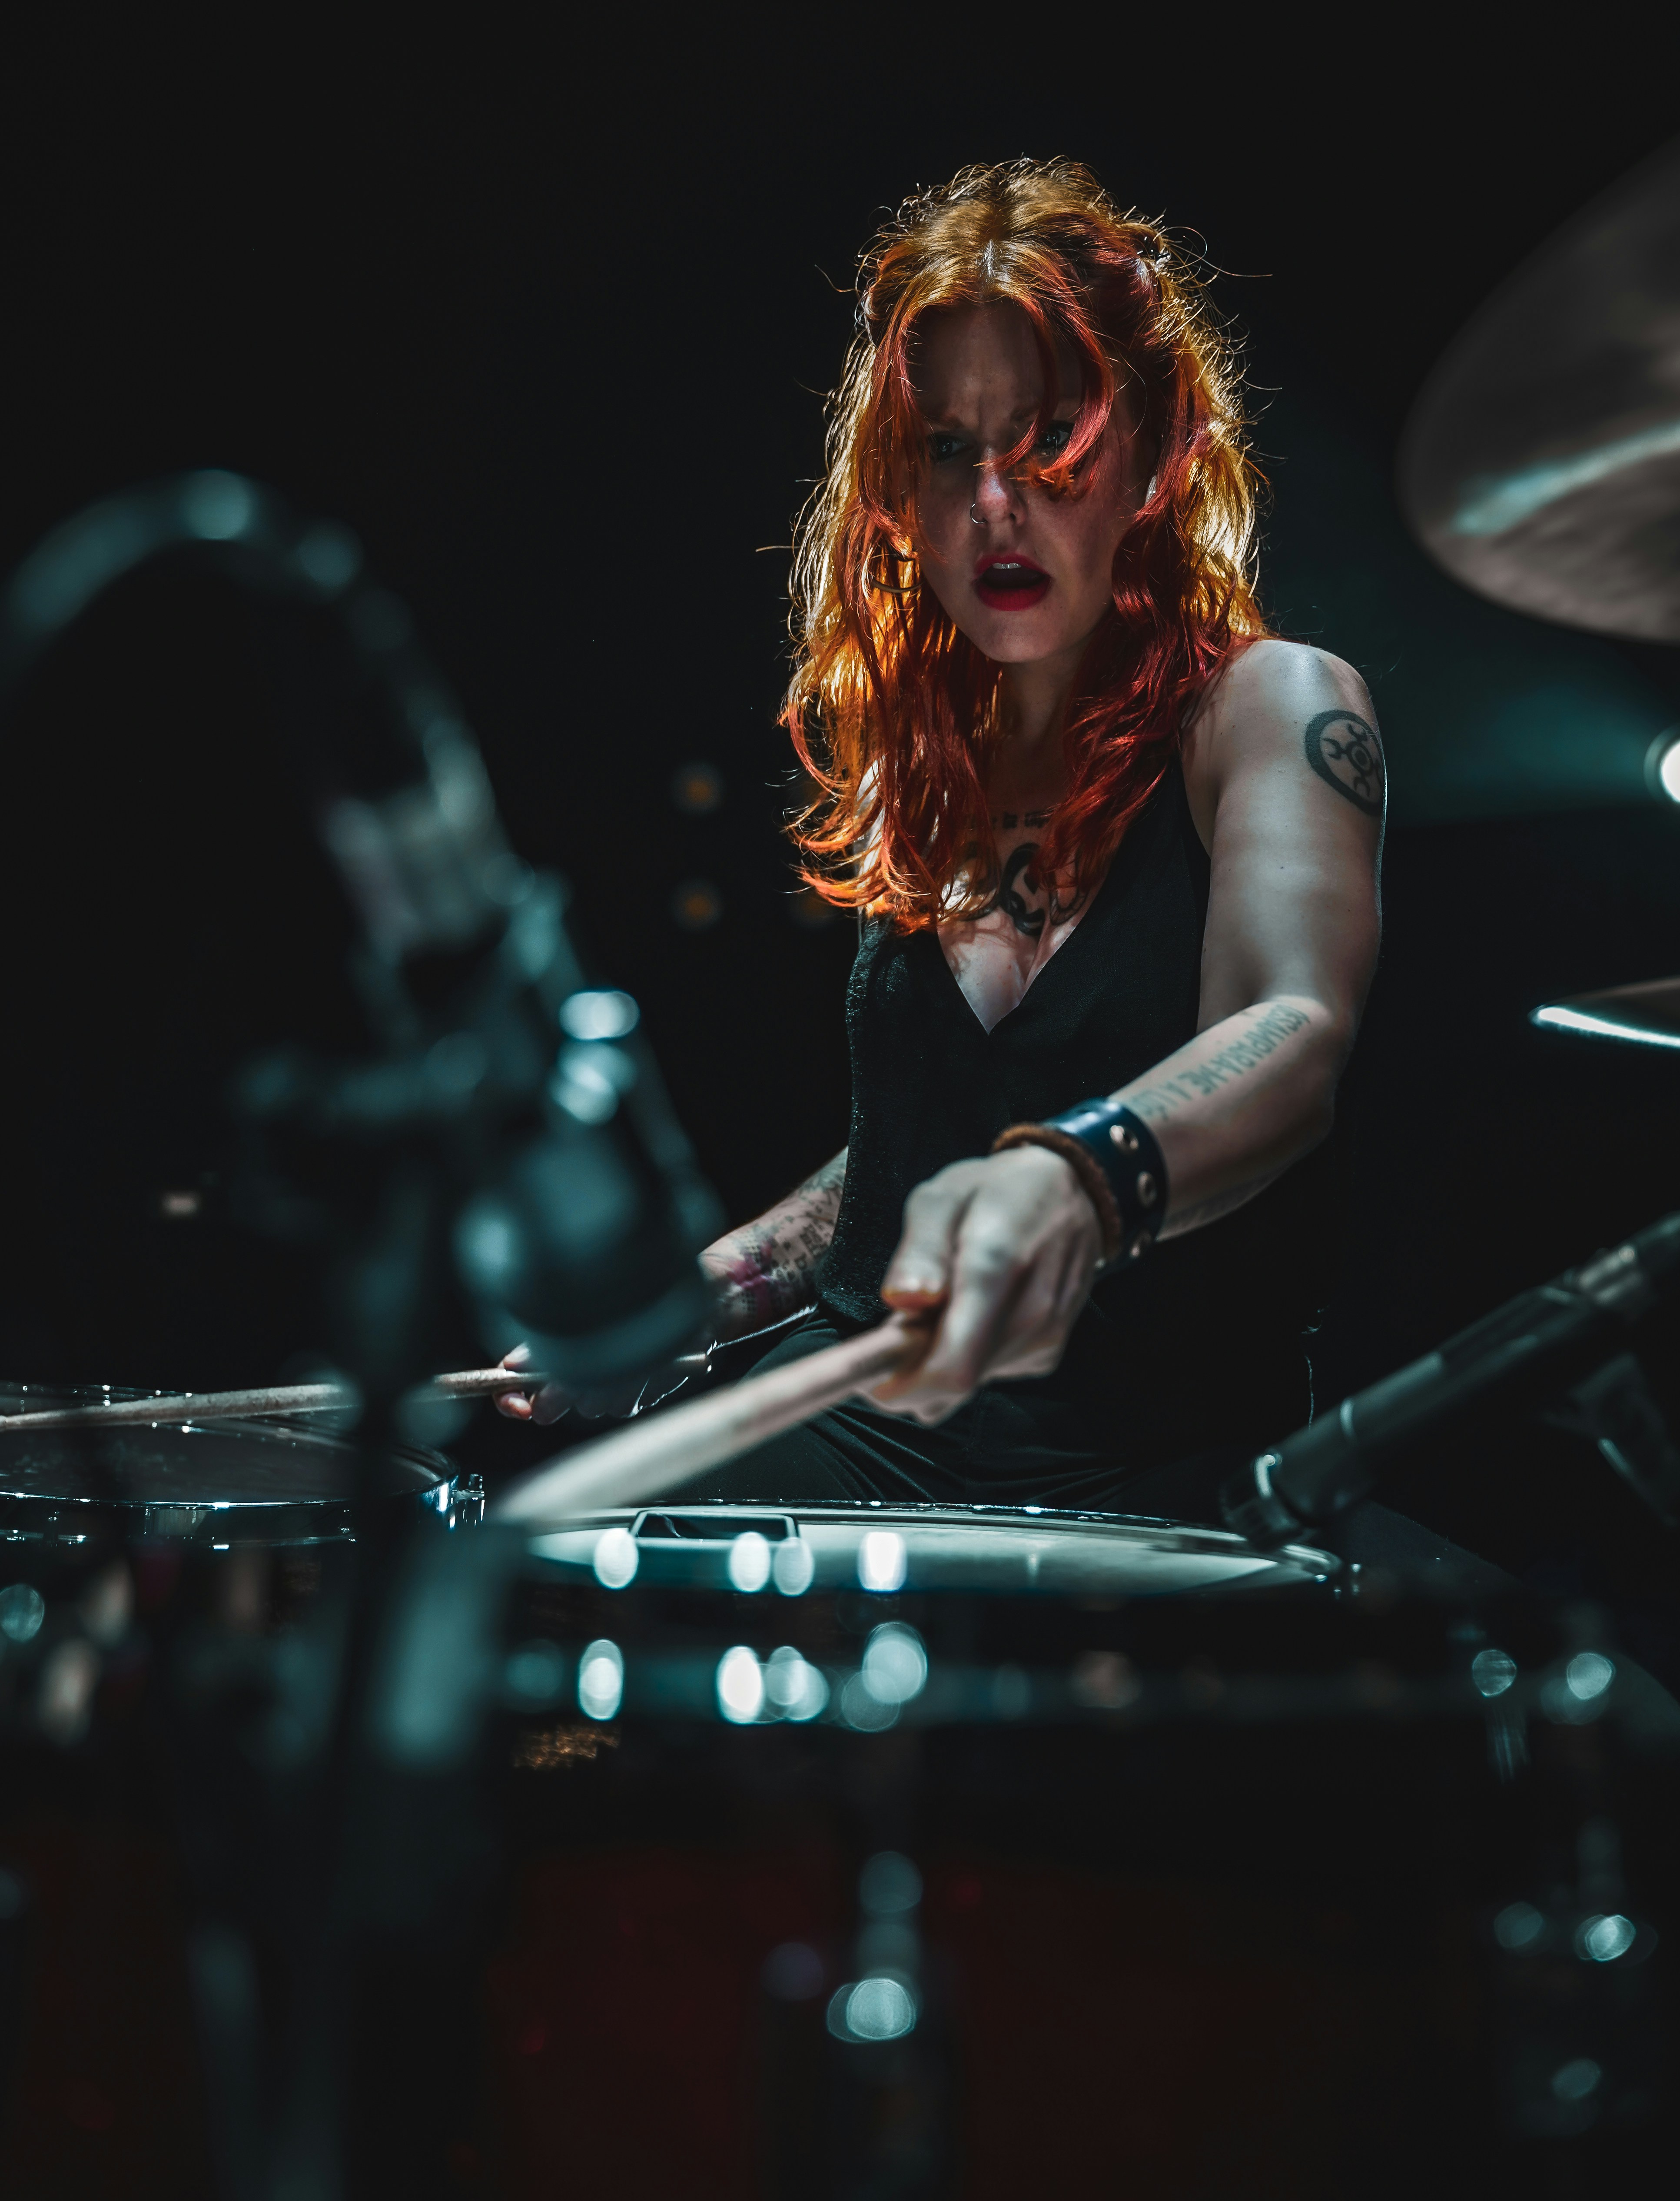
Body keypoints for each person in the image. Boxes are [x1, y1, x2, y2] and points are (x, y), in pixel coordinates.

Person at [497, 158, 1385, 1521]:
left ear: (1156, 453)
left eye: (1048, 439)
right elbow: (921, 1150)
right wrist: (720, 1285)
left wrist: (1080, 1175)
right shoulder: (926, 762)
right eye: (949, 450)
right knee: (542, 1574)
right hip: (873, 1423)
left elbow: (1292, 1027)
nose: (992, 504)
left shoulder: (1268, 707)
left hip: (1164, 1454)